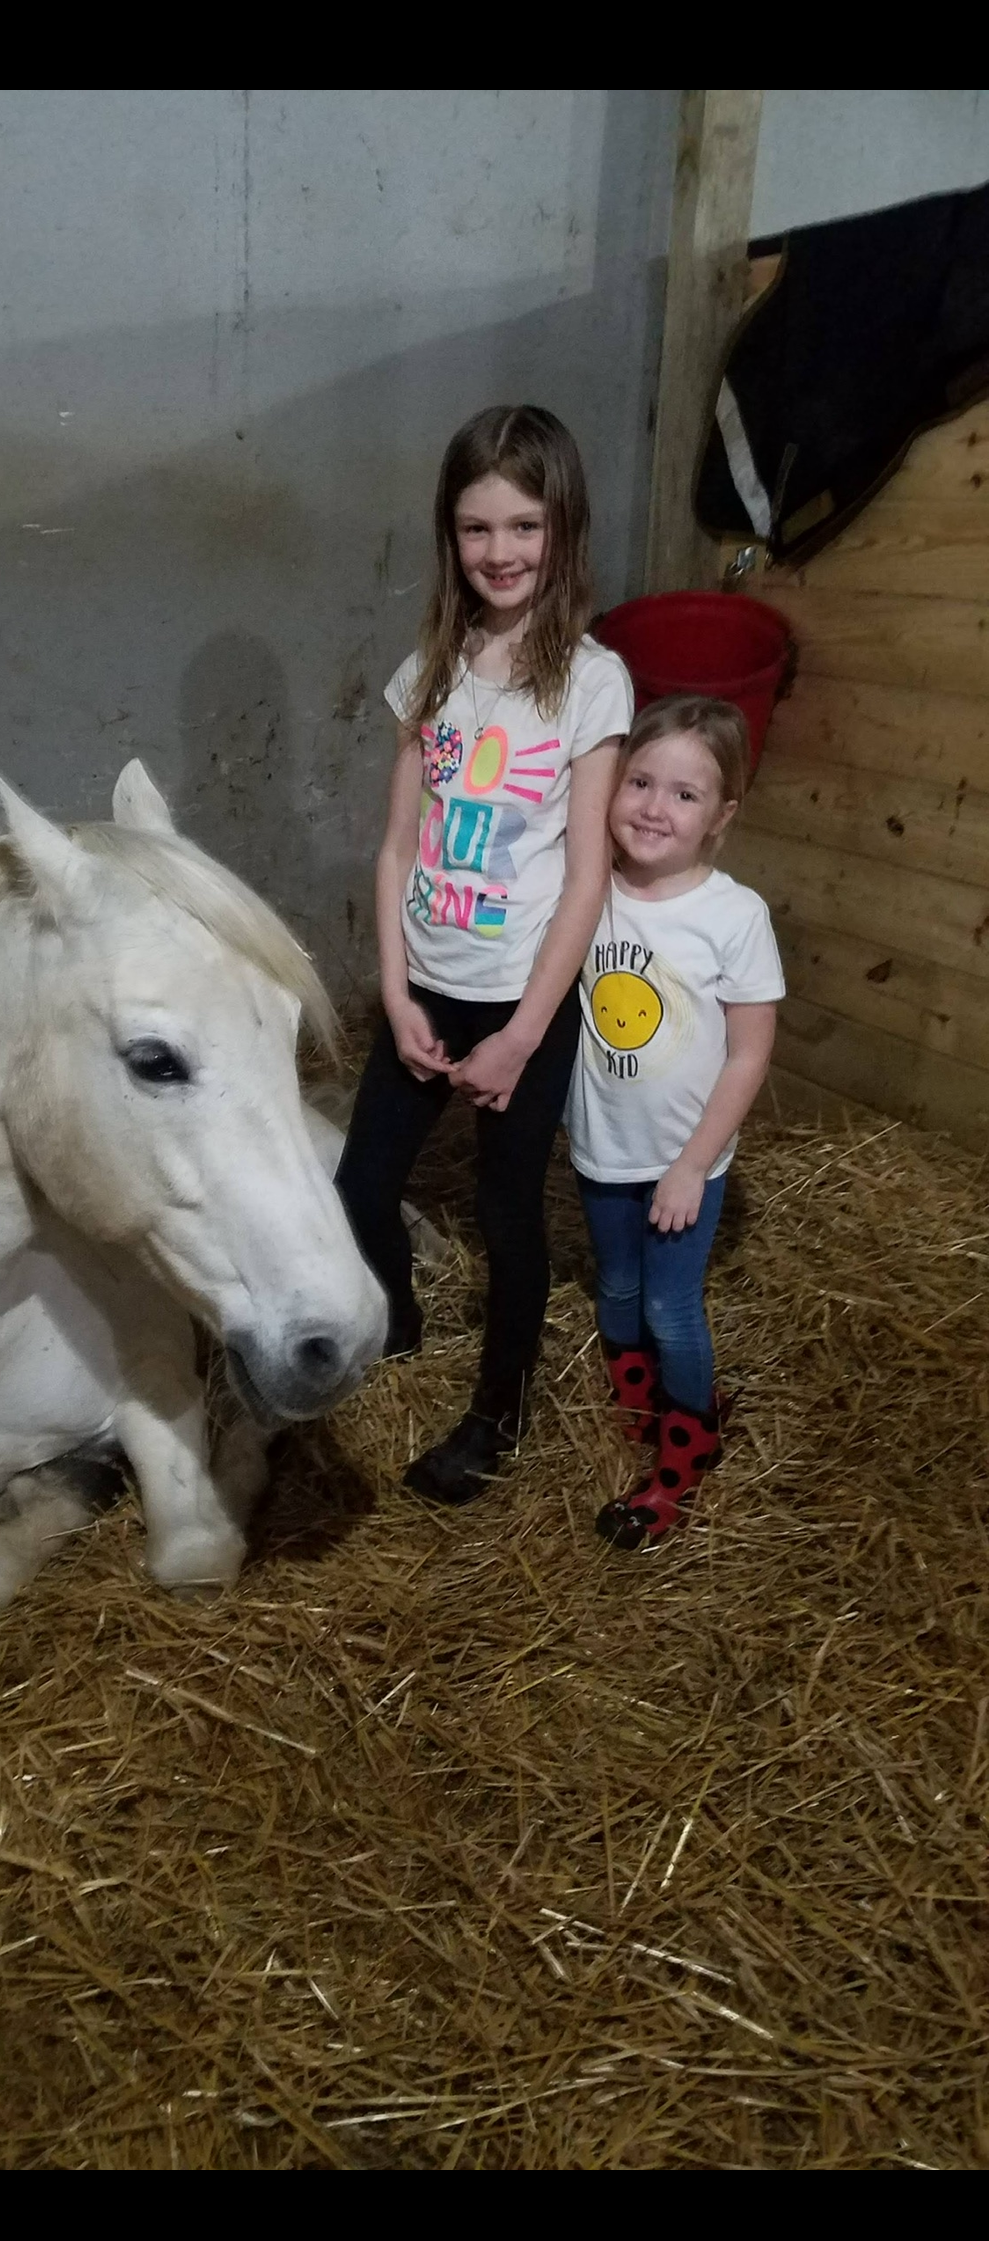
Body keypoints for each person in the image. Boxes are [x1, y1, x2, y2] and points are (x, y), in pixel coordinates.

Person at [336, 405, 632, 1504]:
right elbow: (398, 845)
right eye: (475, 528)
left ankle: (497, 1416)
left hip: (523, 999)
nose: (500, 552)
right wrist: (395, 988)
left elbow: (588, 877)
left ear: (563, 529)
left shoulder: (592, 683)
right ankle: (398, 1314)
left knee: (511, 1219)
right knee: (361, 1183)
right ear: (448, 536)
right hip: (430, 988)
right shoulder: (433, 671)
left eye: (523, 525)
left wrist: (518, 1035)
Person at [566, 692, 785, 1550]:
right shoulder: (589, 888)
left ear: (720, 816)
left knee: (671, 1307)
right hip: (601, 1151)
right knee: (615, 1287)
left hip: (682, 1163)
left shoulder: (733, 916)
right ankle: (642, 1406)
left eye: (685, 795)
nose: (656, 807)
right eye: (640, 782)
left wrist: (694, 1163)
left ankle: (685, 1453)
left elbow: (748, 1054)